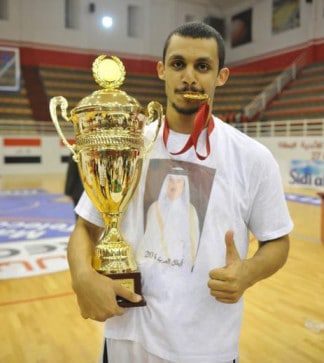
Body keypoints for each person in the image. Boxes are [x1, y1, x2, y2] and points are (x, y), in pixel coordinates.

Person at [68, 22, 293, 363]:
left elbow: (278, 241)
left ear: (222, 75)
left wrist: (248, 272)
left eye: (202, 66)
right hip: (125, 342)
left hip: (205, 350)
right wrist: (81, 277)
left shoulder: (252, 158)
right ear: (161, 70)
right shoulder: (127, 142)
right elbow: (85, 227)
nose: (189, 76)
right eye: (178, 64)